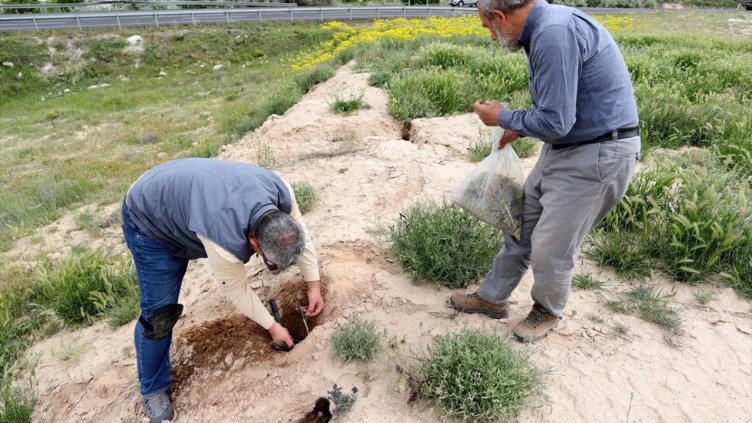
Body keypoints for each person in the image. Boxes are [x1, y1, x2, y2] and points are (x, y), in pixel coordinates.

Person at [449, 0, 641, 342]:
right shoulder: (547, 28)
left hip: (596, 153)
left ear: (499, 17)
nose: (492, 38)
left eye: (488, 29)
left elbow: (556, 120)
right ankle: (493, 298)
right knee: (521, 226)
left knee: (553, 243)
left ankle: (547, 310)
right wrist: (519, 128)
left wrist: (503, 117)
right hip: (568, 146)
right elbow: (561, 111)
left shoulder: (554, 32)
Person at [121, 158, 324, 423]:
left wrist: (314, 285)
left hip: (185, 198)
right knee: (160, 313)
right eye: (270, 262)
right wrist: (272, 326)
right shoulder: (222, 236)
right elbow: (236, 290)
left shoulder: (281, 191)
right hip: (150, 217)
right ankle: (152, 389)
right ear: (254, 242)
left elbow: (302, 238)